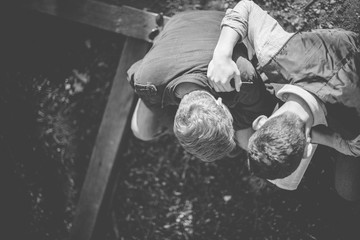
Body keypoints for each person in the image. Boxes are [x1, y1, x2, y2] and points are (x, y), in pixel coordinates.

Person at [207, 0, 360, 200]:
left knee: (347, 190)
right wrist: (222, 55)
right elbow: (246, 7)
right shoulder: (276, 54)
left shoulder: (353, 127)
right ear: (260, 122)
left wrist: (331, 141)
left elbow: (353, 147)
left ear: (307, 150)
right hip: (335, 50)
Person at [127, 10, 278, 162]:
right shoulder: (144, 83)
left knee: (246, 141)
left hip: (216, 20)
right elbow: (140, 83)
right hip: (177, 25)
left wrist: (233, 127)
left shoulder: (240, 77)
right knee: (142, 132)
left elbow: (260, 108)